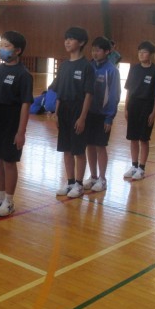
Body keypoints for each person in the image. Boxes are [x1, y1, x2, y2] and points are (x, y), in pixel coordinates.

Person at [0, 31, 33, 216]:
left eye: (6, 46)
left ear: (18, 50)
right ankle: (0, 198)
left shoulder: (23, 75)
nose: (2, 49)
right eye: (1, 45)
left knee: (10, 162)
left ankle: (9, 202)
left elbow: (25, 104)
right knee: (0, 161)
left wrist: (21, 132)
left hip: (12, 122)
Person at [55, 27, 95, 198]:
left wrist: (82, 117)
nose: (67, 42)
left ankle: (79, 184)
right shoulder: (64, 65)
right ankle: (70, 182)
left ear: (82, 42)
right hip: (63, 109)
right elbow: (59, 91)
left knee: (78, 150)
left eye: (71, 39)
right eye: (66, 38)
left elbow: (89, 94)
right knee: (66, 149)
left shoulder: (87, 66)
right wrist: (57, 112)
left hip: (78, 110)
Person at [83, 36, 121, 193]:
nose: (94, 53)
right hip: (89, 113)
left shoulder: (112, 71)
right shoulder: (89, 67)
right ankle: (93, 176)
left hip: (103, 115)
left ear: (107, 52)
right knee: (89, 145)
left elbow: (114, 95)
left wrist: (109, 117)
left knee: (100, 146)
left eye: (98, 50)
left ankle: (102, 179)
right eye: (93, 50)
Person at [124, 41, 155, 180]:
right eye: (139, 52)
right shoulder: (134, 69)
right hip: (133, 105)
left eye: (144, 52)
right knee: (133, 138)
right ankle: (134, 166)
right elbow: (128, 90)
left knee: (144, 139)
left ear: (150, 54)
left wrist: (153, 113)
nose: (141, 54)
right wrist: (126, 107)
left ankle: (142, 168)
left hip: (147, 106)